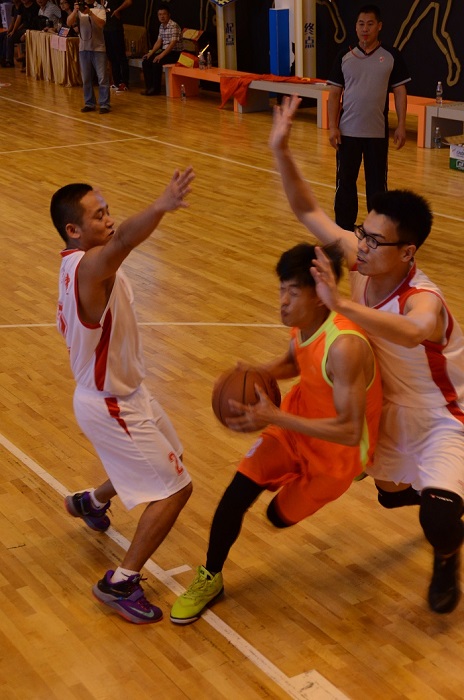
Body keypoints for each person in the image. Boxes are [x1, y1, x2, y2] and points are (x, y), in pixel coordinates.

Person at [269, 94, 464, 614]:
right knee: (389, 493)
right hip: (392, 409)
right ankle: (441, 491)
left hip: (444, 415)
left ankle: (448, 553)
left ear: (408, 252)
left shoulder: (424, 297)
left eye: (375, 241)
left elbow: (413, 332)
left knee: (438, 517)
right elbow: (307, 209)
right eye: (363, 234)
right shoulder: (364, 261)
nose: (362, 246)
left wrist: (342, 305)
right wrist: (280, 149)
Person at [170, 242, 383, 624]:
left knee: (277, 517)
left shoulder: (345, 347)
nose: (283, 301)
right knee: (235, 495)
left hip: (337, 456)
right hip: (297, 424)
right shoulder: (303, 325)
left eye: (293, 292)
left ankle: (400, 486)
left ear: (319, 294)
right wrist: (255, 373)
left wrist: (275, 416)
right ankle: (210, 577)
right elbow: (293, 360)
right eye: (281, 289)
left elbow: (350, 431)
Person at [51, 166, 195, 624]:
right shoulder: (91, 268)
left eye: (108, 211)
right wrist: (161, 205)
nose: (109, 220)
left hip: (128, 392)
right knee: (176, 489)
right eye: (98, 216)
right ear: (73, 230)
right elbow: (125, 242)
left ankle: (91, 501)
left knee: (171, 454)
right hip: (110, 402)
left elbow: (118, 242)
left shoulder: (77, 263)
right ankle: (120, 583)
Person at [326, 4, 410, 231]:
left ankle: (376, 229)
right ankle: (344, 228)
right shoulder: (344, 56)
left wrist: (401, 125)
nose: (365, 29)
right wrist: (332, 127)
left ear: (379, 26)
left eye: (370, 24)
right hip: (347, 133)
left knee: (377, 185)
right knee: (345, 182)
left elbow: (400, 92)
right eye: (361, 24)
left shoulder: (391, 56)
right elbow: (334, 94)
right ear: (355, 27)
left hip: (377, 133)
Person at [67, 0, 111, 114]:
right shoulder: (79, 10)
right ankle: (89, 103)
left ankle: (104, 104)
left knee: (102, 77)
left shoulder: (100, 8)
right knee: (86, 78)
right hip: (83, 48)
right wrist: (75, 11)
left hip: (98, 48)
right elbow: (69, 22)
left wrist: (90, 13)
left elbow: (101, 24)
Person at [141, 3, 181, 97]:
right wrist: (151, 53)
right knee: (146, 61)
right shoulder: (161, 26)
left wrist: (161, 55)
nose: (162, 16)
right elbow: (159, 42)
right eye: (160, 14)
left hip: (175, 53)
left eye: (164, 14)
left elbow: (172, 44)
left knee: (157, 62)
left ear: (169, 15)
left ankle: (156, 89)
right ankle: (149, 87)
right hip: (165, 51)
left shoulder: (174, 26)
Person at [103, 0, 132, 93]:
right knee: (111, 56)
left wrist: (118, 10)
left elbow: (129, 1)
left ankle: (125, 83)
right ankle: (116, 81)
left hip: (116, 27)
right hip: (106, 28)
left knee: (120, 55)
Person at [4, 0, 39, 68]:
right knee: (10, 37)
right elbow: (18, 19)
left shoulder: (35, 6)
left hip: (33, 30)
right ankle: (9, 61)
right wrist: (13, 31)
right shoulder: (21, 7)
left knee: (23, 37)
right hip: (23, 29)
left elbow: (31, 23)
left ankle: (26, 61)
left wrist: (24, 33)